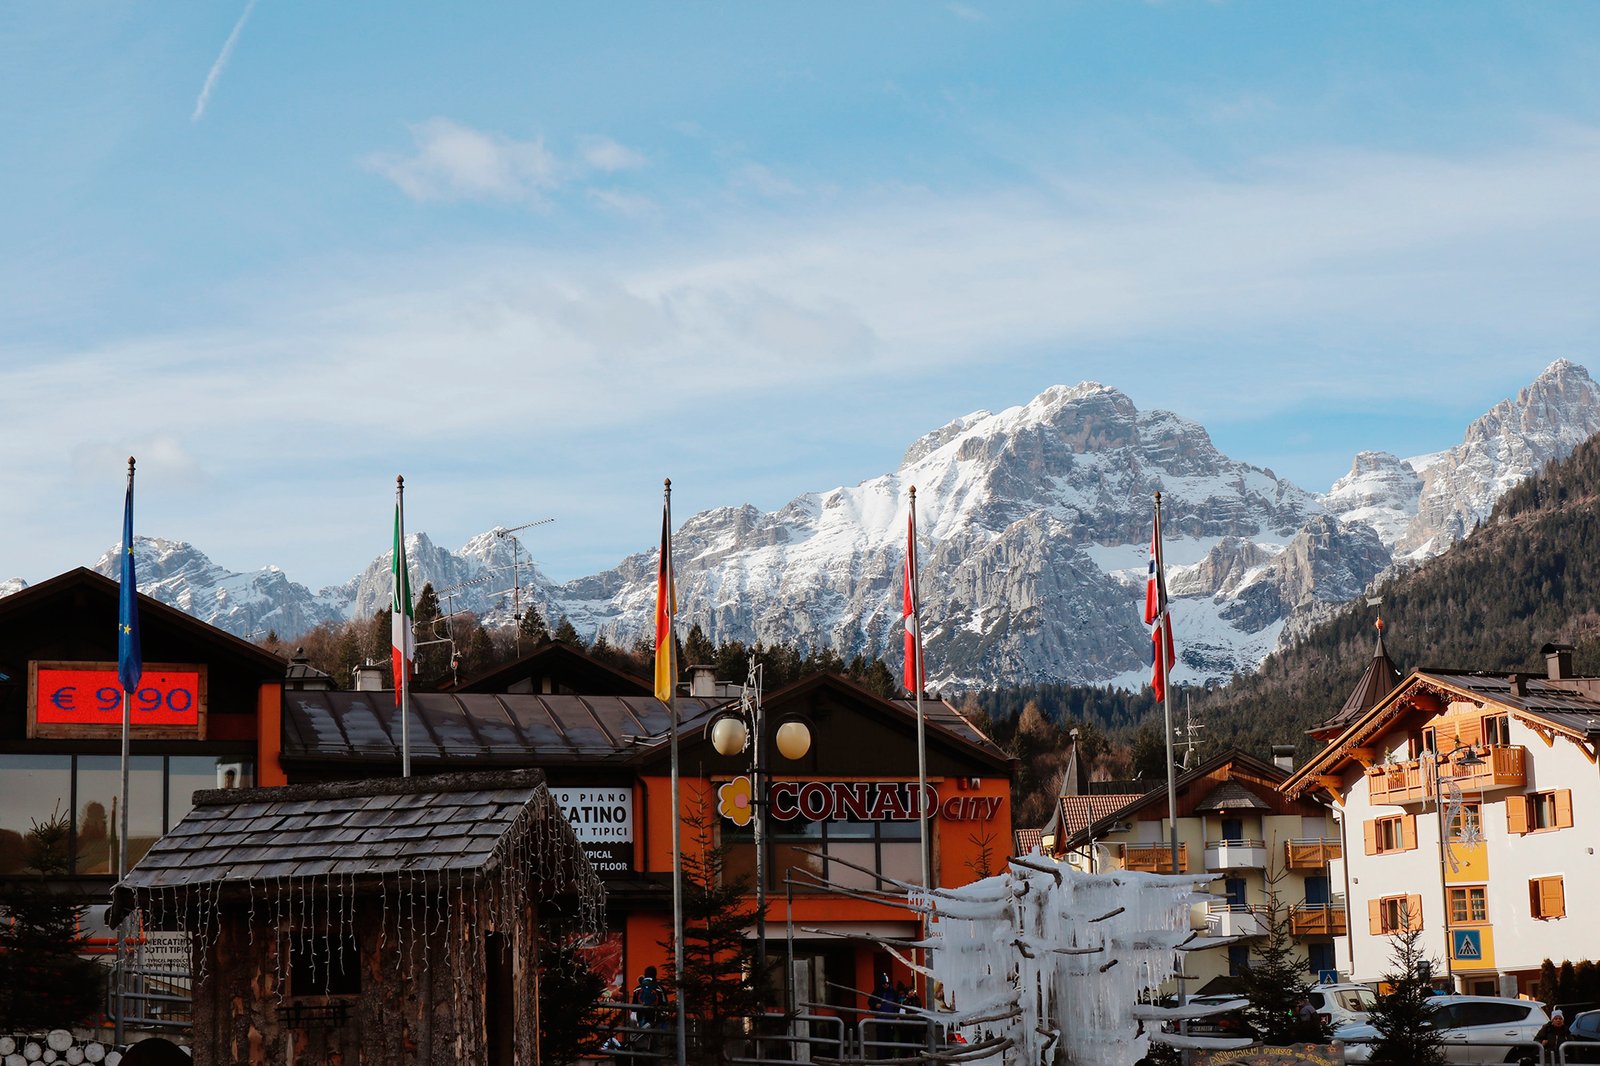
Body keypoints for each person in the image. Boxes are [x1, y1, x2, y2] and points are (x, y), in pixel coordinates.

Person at [630, 967, 666, 1051]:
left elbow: (633, 1008)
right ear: (655, 975)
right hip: (655, 1022)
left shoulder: (637, 989)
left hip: (641, 1022)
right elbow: (665, 1005)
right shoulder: (659, 988)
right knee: (656, 1048)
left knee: (641, 1046)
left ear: (645, 974)